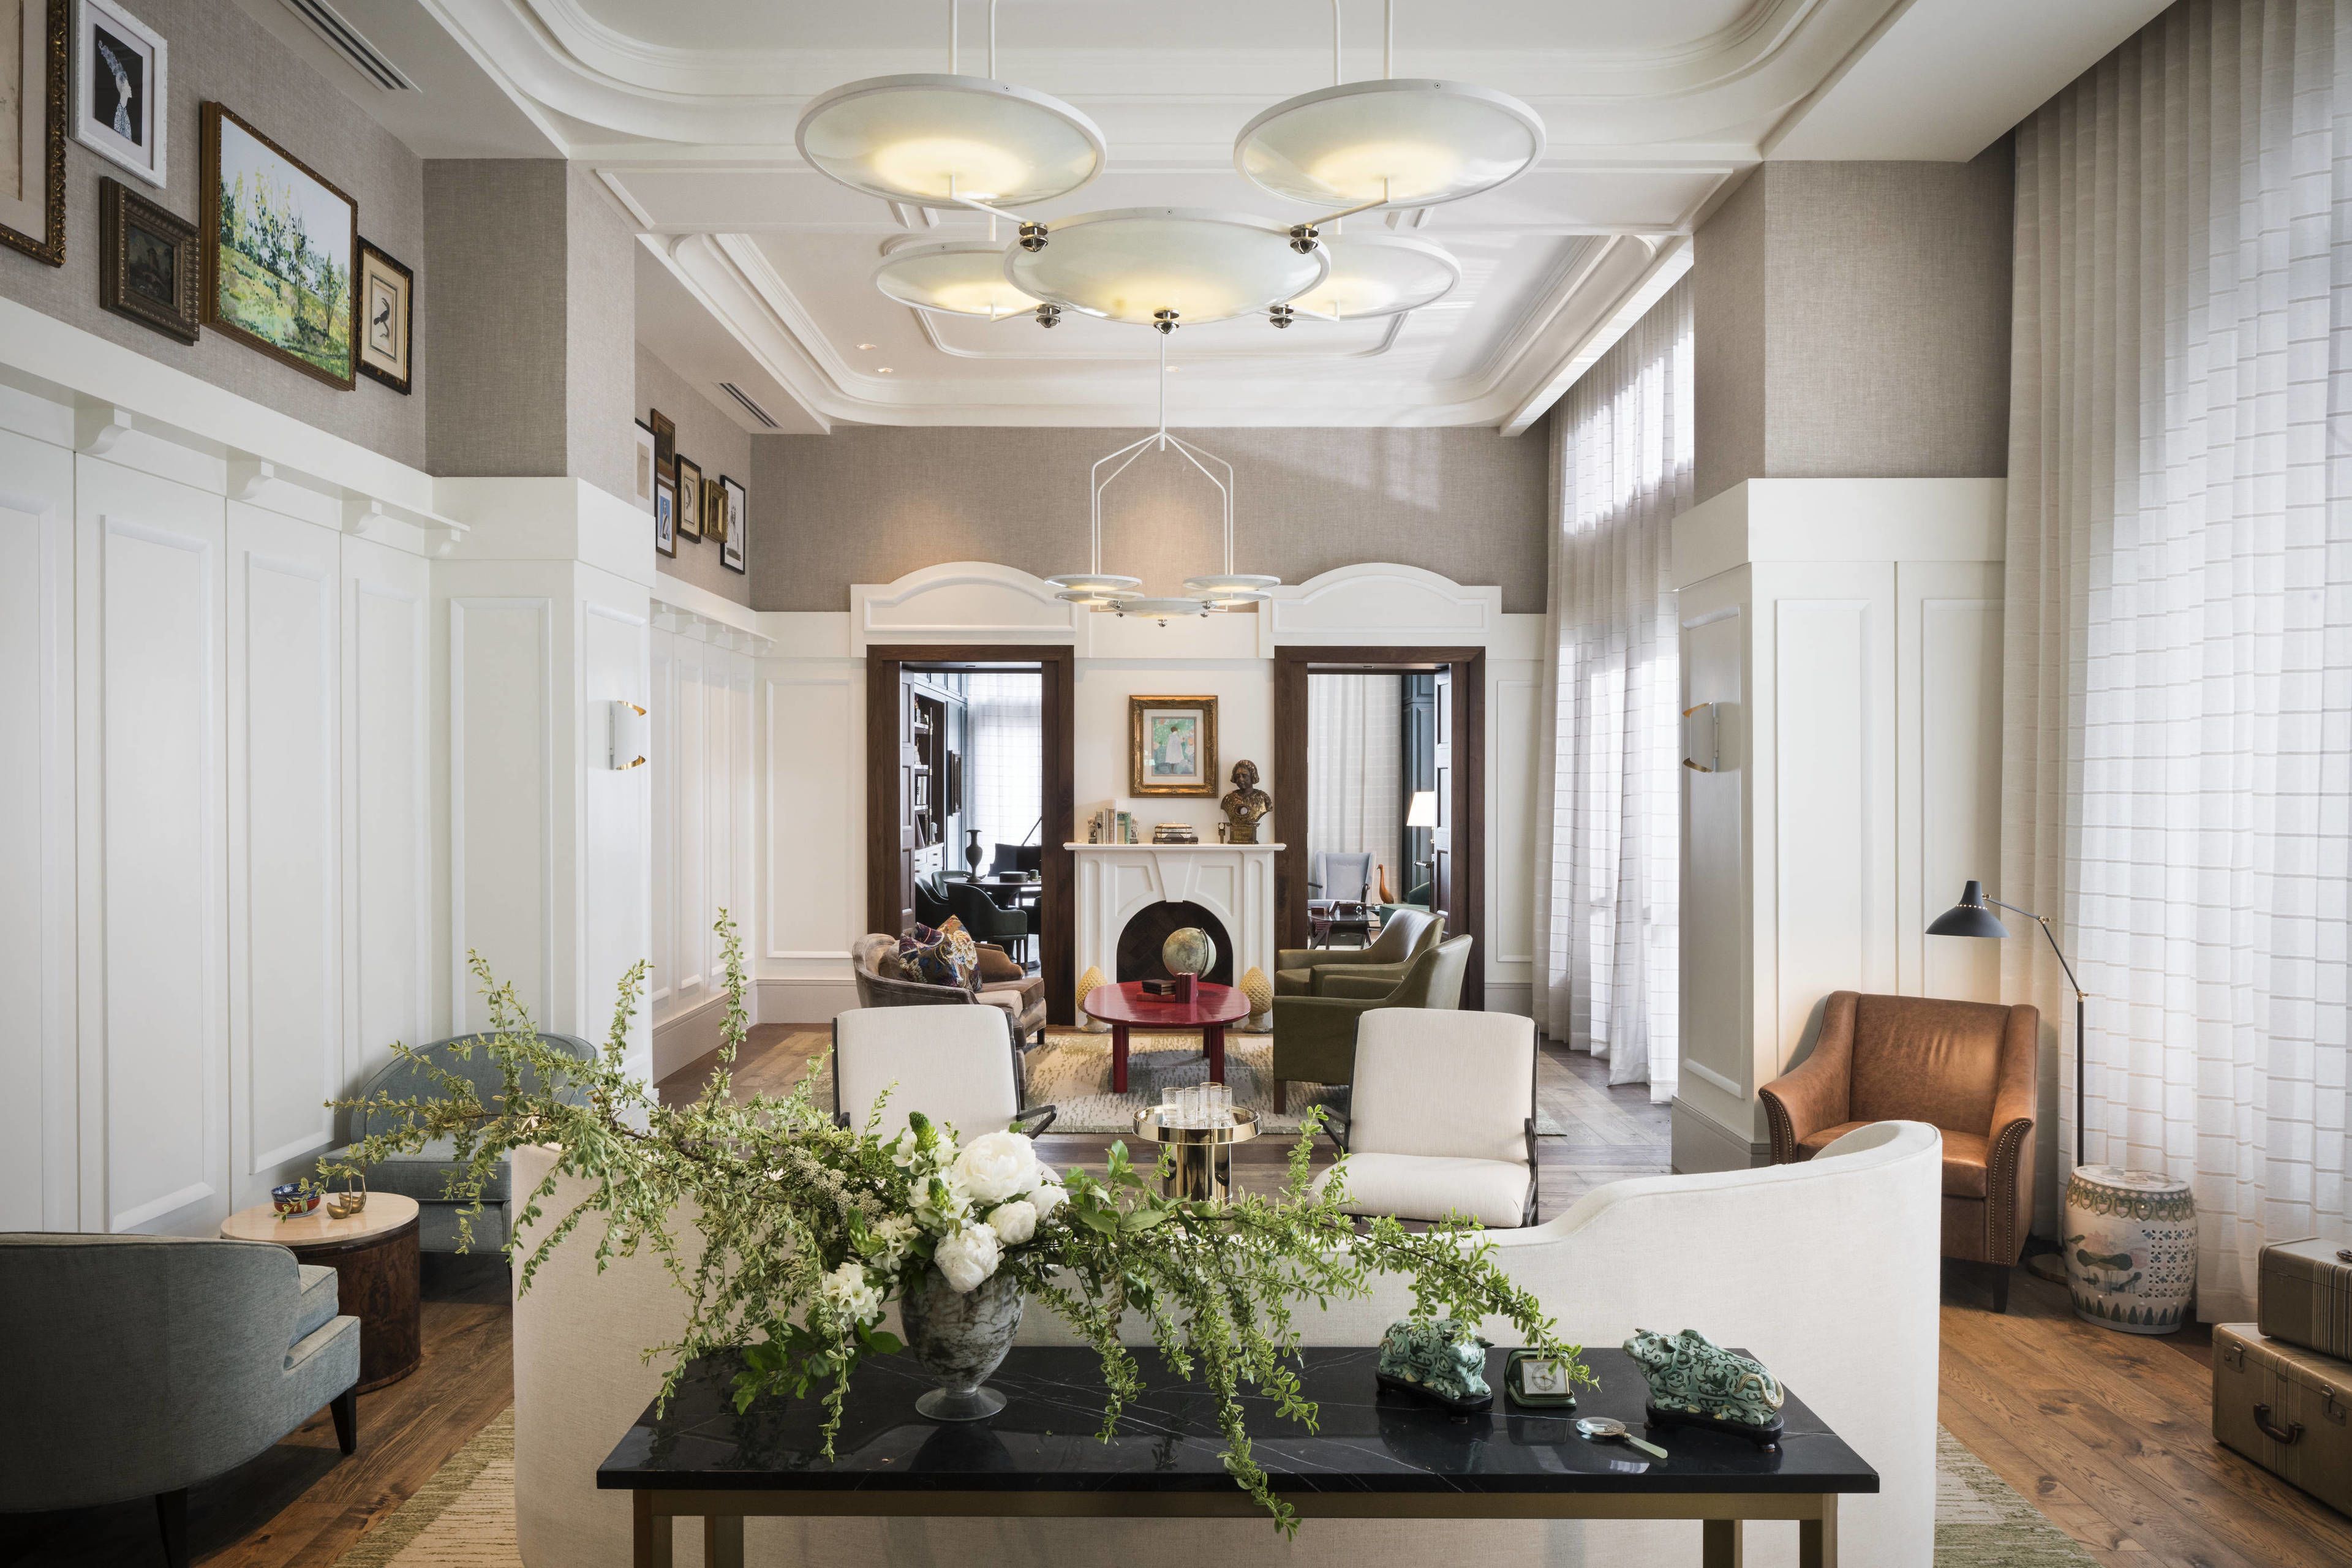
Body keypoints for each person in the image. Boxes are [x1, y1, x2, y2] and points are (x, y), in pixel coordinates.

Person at [1219, 759, 1271, 845]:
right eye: (1238, 776)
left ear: (1252, 776)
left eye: (1244, 776)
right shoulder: (1228, 799)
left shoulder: (1263, 798)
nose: (1241, 779)